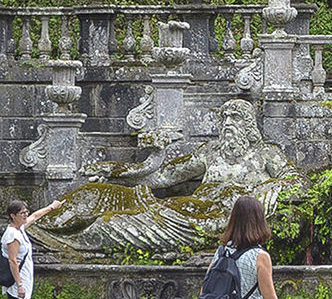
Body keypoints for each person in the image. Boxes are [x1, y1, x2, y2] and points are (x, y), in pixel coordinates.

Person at [31, 98, 303, 256]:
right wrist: (115, 171)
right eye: (225, 118)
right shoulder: (209, 152)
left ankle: (58, 239)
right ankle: (35, 226)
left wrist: (270, 188)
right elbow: (160, 177)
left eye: (236, 118)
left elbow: (299, 182)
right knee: (95, 194)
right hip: (185, 207)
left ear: (249, 125)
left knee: (107, 223)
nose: (229, 124)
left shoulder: (266, 154)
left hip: (209, 218)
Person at [3, 199, 62, 299]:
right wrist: (19, 285)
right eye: (22, 213)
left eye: (26, 212)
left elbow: (34, 216)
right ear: (13, 216)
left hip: (24, 277)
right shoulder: (12, 235)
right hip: (17, 281)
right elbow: (12, 261)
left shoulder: (20, 228)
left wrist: (52, 207)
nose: (26, 215)